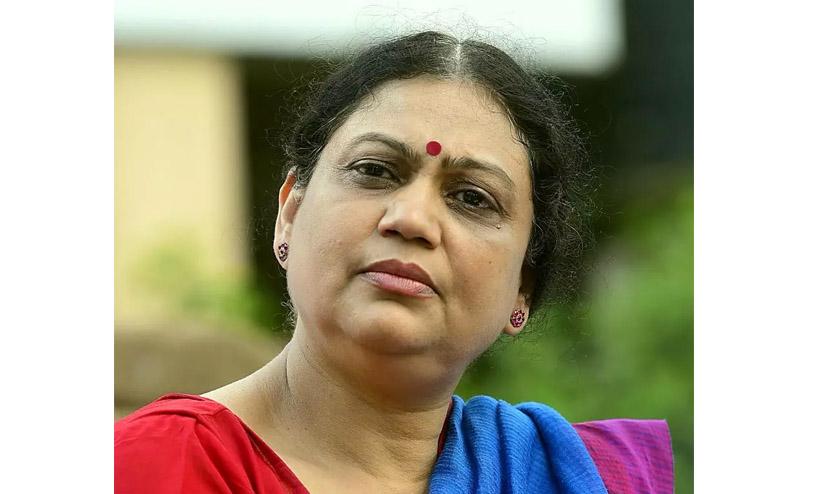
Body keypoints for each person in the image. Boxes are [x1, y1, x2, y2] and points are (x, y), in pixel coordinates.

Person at [114, 31, 674, 493]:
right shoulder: (154, 467)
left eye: (472, 198)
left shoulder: (593, 478)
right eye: (375, 170)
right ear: (290, 214)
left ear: (523, 287)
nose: (411, 219)